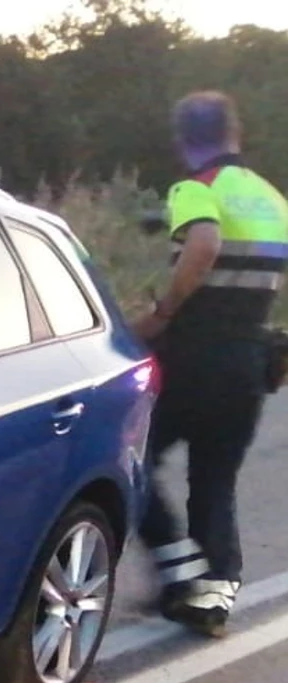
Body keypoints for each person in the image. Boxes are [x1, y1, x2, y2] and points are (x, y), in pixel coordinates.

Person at [134, 90, 288, 637]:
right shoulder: (271, 198)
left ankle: (179, 571)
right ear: (235, 132)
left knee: (130, 459)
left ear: (183, 141)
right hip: (248, 357)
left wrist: (161, 313)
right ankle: (212, 598)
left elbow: (203, 244)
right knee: (215, 480)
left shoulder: (197, 189)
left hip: (191, 352)